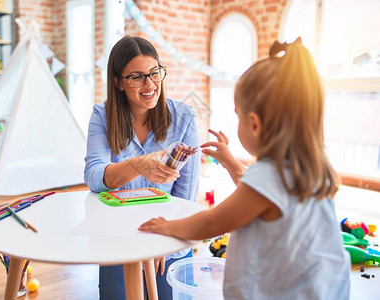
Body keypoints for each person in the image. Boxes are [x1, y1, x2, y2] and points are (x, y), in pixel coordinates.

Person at [139, 38, 350, 300]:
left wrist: (168, 226)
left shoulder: (269, 176)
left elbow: (213, 222)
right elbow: (262, 195)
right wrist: (229, 161)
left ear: (255, 124)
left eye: (238, 115)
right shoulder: (310, 166)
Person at [84, 36, 200, 299]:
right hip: (118, 238)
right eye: (137, 77)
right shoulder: (102, 116)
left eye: (154, 73)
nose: (150, 85)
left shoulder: (183, 118)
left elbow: (186, 198)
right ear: (118, 82)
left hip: (170, 238)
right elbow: (93, 177)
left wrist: (164, 244)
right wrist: (137, 165)